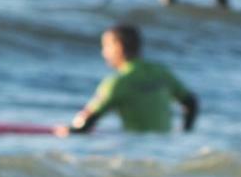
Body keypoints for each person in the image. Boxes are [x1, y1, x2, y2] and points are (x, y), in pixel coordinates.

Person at [55, 24, 198, 135]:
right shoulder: (161, 72)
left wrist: (69, 131)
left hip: (135, 148)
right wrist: (184, 132)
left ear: (118, 47)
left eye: (105, 46)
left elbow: (87, 122)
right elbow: (191, 102)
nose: (103, 52)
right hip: (164, 147)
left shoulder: (118, 82)